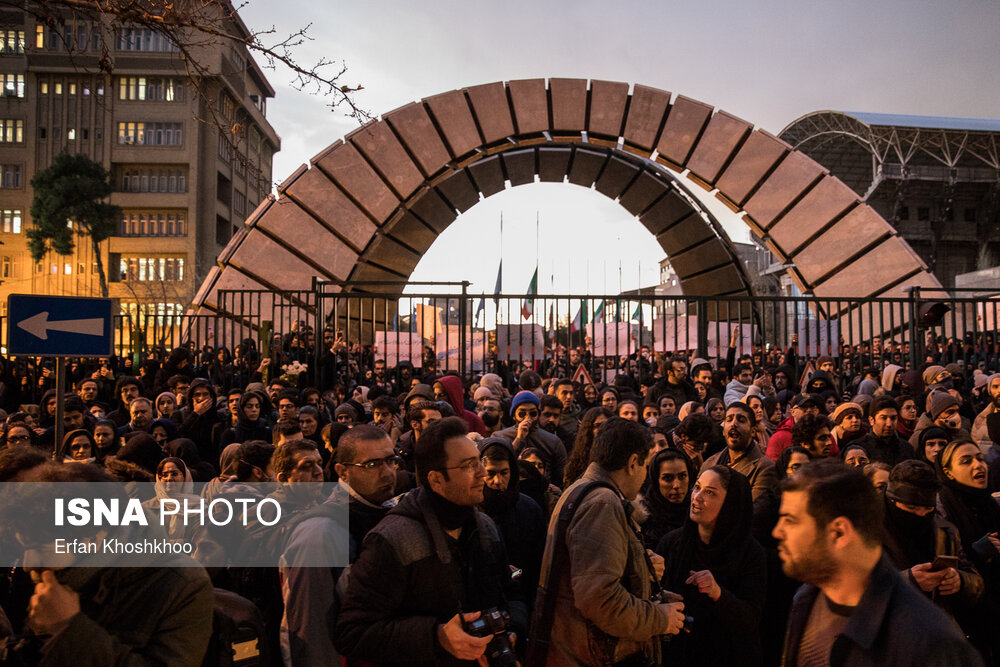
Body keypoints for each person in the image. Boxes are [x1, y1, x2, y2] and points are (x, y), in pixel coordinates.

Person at [335, 416, 526, 665]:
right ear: (436, 480)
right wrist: (437, 636)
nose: (482, 473)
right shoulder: (392, 540)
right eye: (468, 466)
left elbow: (512, 587)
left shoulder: (485, 527)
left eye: (480, 461)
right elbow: (352, 633)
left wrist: (512, 627)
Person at [773, 460, 982, 666]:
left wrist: (960, 581)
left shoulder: (932, 645)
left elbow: (974, 580)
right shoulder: (805, 600)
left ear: (839, 532)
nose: (777, 532)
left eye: (790, 520)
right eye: (910, 507)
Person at [529, 417, 686, 666]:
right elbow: (601, 600)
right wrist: (660, 618)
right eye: (645, 465)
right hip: (586, 655)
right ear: (633, 463)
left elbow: (589, 575)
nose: (645, 475)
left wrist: (642, 575)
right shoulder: (602, 502)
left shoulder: (586, 490)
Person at [281, 425, 396, 666]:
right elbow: (311, 633)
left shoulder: (389, 511)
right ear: (342, 471)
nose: (387, 473)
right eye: (372, 465)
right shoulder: (319, 534)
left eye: (391, 460)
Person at [656, 466, 766, 666]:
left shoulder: (750, 552)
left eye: (709, 492)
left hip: (729, 655)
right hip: (681, 654)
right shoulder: (672, 543)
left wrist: (717, 593)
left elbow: (750, 621)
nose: (696, 497)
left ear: (730, 504)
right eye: (697, 487)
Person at [881, 460, 984, 628]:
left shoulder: (946, 531)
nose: (921, 515)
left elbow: (976, 583)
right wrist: (906, 581)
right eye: (911, 507)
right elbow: (848, 591)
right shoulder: (863, 531)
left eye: (927, 509)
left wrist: (960, 581)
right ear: (892, 500)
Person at [934, 437, 1000, 662]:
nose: (978, 465)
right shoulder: (941, 508)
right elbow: (944, 563)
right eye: (966, 461)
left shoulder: (990, 504)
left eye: (980, 459)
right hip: (970, 621)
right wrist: (978, 551)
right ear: (948, 472)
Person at [477, 437, 546, 599]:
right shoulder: (468, 509)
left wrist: (515, 574)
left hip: (521, 595)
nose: (497, 481)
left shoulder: (530, 509)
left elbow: (536, 563)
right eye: (491, 473)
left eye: (504, 473)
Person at [702, 403, 778, 538]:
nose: (734, 424)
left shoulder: (765, 468)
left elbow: (751, 514)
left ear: (753, 431)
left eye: (741, 420)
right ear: (723, 428)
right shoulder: (709, 463)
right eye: (729, 419)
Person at [496, 391, 567, 485]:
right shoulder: (500, 437)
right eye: (522, 414)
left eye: (532, 413)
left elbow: (561, 474)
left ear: (538, 414)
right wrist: (518, 439)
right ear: (514, 416)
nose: (527, 418)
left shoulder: (553, 441)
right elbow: (498, 464)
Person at [639, 447, 695, 550]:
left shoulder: (698, 510)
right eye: (668, 478)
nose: (676, 485)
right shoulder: (642, 517)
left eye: (682, 476)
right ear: (656, 481)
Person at [853, 395, 916, 467]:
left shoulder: (906, 449)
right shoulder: (859, 449)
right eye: (883, 418)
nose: (889, 424)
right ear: (871, 420)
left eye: (893, 418)